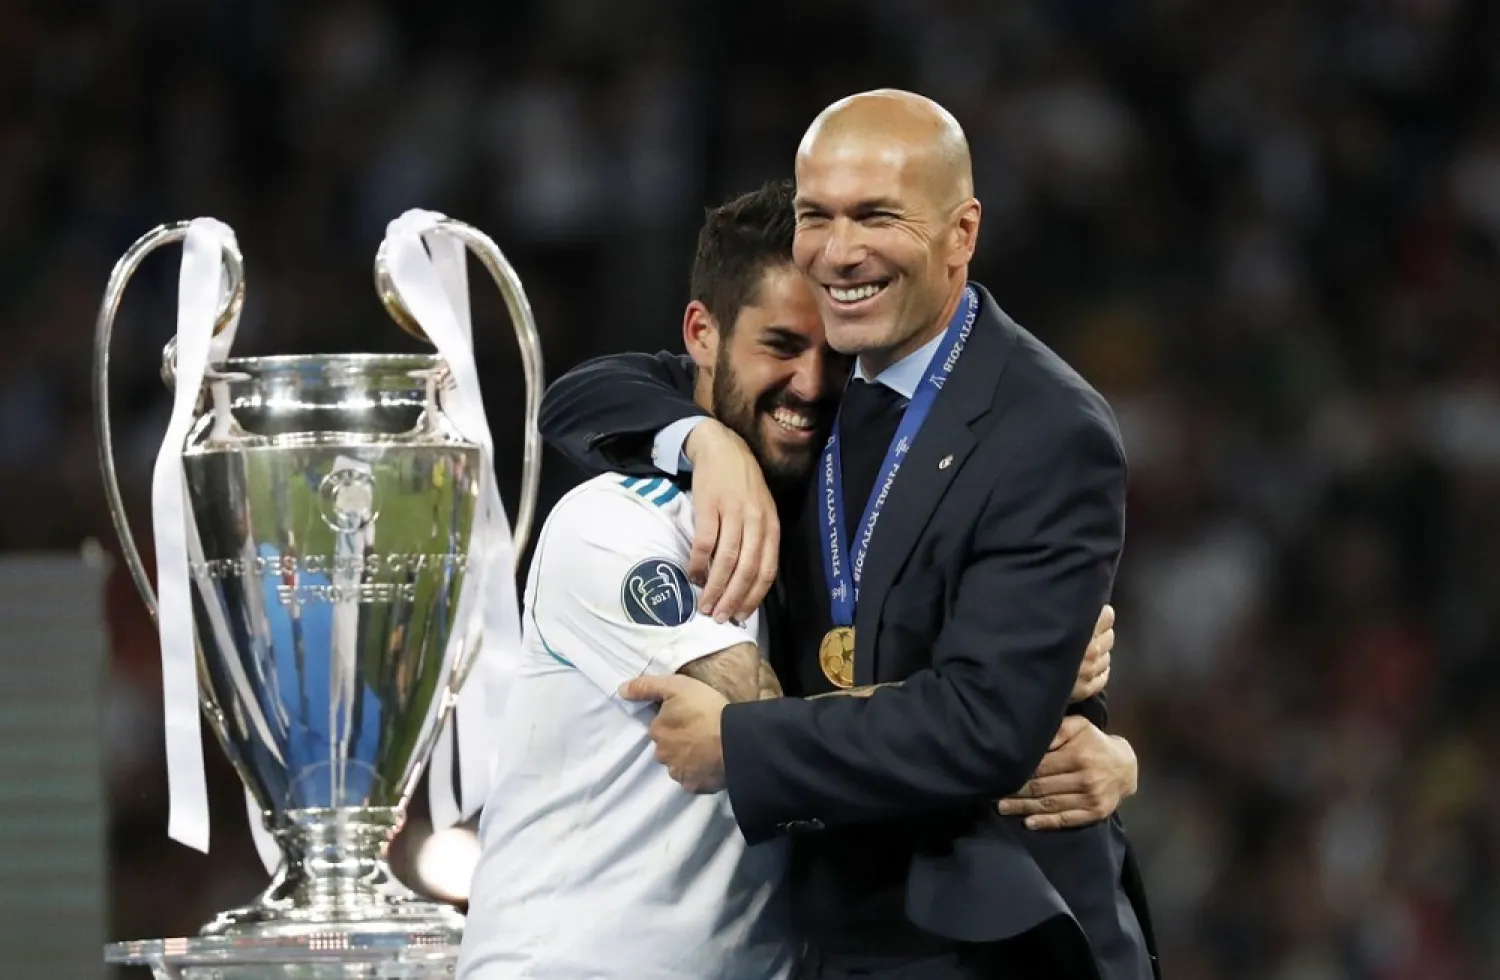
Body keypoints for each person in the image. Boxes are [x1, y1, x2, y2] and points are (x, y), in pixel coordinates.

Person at [536, 92, 1158, 979]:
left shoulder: (1048, 431)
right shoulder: (816, 389)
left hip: (991, 937)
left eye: (877, 217)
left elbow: (984, 724)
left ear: (961, 231)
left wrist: (743, 745)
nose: (840, 251)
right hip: (832, 928)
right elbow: (588, 394)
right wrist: (704, 440)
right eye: (816, 217)